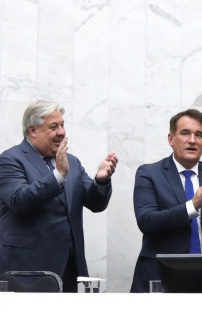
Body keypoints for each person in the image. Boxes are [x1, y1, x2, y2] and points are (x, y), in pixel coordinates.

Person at [0, 100, 117, 292]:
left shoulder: (72, 162)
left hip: (71, 270)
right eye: (54, 127)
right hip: (27, 271)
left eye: (62, 125)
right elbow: (19, 200)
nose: (62, 132)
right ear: (33, 130)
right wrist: (58, 176)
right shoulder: (10, 160)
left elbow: (95, 203)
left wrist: (101, 180)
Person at [130, 109, 202, 292]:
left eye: (199, 135)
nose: (192, 140)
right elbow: (146, 221)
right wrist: (191, 206)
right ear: (171, 139)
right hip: (161, 280)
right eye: (185, 133)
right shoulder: (149, 174)